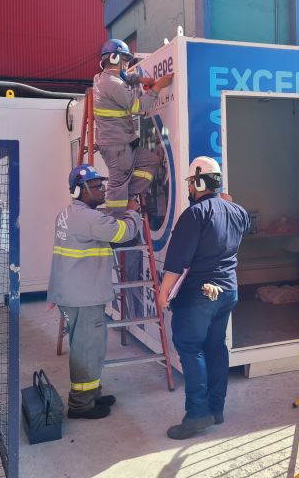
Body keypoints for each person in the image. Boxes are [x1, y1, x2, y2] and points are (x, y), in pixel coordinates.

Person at [157, 156, 251, 439]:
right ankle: (216, 409)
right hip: (227, 291)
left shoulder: (194, 215)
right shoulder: (238, 212)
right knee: (215, 347)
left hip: (199, 294)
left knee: (190, 347)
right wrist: (227, 203)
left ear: (198, 181)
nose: (189, 189)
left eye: (190, 183)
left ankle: (198, 414)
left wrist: (163, 293)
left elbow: (176, 263)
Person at [47, 164, 142, 419]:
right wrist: (133, 213)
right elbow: (123, 233)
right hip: (84, 295)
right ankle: (80, 405)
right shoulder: (88, 219)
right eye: (97, 187)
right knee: (87, 350)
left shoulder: (67, 214)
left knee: (86, 347)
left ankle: (92, 393)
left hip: (73, 292)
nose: (103, 191)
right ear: (81, 190)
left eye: (102, 185)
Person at [93, 39, 173, 217]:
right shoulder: (113, 84)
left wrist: (141, 79)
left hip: (121, 143)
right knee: (117, 185)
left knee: (151, 161)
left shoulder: (100, 78)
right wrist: (158, 86)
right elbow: (138, 107)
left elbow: (125, 77)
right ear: (114, 58)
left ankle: (127, 195)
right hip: (118, 146)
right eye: (124, 59)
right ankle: (116, 223)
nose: (126, 64)